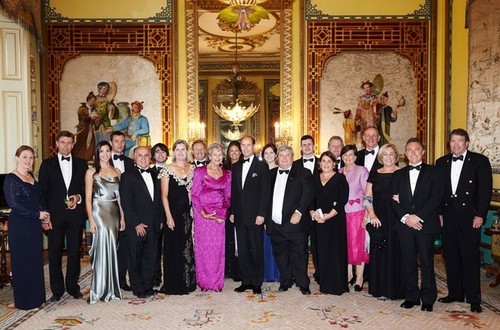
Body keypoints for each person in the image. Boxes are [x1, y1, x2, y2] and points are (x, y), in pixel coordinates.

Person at [436, 128, 492, 313]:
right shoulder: (441, 162)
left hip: (470, 217)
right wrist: (440, 213)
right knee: (450, 256)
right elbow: (439, 192)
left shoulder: (479, 161)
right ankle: (455, 293)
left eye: (460, 141)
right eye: (453, 141)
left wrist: (480, 215)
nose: (456, 144)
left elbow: (485, 191)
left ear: (467, 143)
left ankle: (473, 297)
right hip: (449, 217)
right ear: (449, 143)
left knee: (469, 257)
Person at [391, 137, 443, 312]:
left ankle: (428, 298)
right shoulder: (398, 174)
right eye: (409, 150)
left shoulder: (435, 172)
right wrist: (406, 217)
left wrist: (418, 217)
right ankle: (411, 296)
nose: (412, 153)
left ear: (423, 152)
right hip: (405, 225)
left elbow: (436, 198)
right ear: (405, 153)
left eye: (416, 150)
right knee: (408, 261)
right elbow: (393, 200)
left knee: (427, 262)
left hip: (425, 225)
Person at [39, 131, 88, 302]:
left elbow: (86, 191)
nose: (66, 146)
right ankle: (57, 290)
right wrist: (45, 217)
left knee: (75, 252)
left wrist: (78, 197)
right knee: (54, 253)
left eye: (69, 143)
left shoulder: (82, 165)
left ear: (73, 144)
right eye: (63, 142)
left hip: (75, 216)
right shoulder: (46, 165)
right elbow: (42, 193)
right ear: (57, 144)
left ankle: (73, 287)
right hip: (54, 216)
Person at [3, 146, 50, 310]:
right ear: (17, 158)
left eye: (31, 157)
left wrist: (45, 216)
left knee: (34, 260)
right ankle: (24, 301)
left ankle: (36, 298)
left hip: (34, 225)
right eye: (24, 157)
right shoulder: (10, 179)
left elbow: (39, 198)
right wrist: (37, 215)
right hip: (20, 225)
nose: (28, 160)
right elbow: (14, 205)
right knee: (22, 262)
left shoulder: (31, 176)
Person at [267, 145, 314, 295]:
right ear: (277, 158)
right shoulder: (271, 174)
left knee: (299, 254)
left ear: (293, 157)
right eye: (281, 156)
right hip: (275, 223)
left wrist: (299, 212)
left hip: (295, 222)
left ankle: (302, 283)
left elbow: (308, 195)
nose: (285, 158)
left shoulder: (303, 173)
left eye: (288, 155)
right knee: (281, 255)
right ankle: (286, 281)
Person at [120, 146, 165, 298]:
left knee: (151, 257)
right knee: (136, 257)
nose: (143, 158)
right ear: (134, 158)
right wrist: (136, 223)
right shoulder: (127, 176)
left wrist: (159, 220)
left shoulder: (155, 174)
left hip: (153, 224)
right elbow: (126, 203)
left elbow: (158, 200)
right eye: (140, 155)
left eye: (146, 155)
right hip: (137, 225)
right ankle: (138, 288)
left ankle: (148, 286)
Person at [85, 141, 125, 304]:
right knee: (102, 248)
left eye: (107, 151)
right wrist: (91, 219)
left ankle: (112, 288)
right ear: (97, 153)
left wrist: (122, 216)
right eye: (101, 151)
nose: (104, 154)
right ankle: (99, 290)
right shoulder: (91, 172)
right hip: (99, 211)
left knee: (113, 249)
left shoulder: (117, 171)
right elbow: (87, 198)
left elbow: (120, 196)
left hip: (114, 211)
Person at [230, 135, 270, 294]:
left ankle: (257, 282)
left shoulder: (262, 166)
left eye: (248, 145)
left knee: (256, 249)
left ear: (254, 146)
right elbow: (234, 192)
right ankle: (246, 280)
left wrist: (262, 214)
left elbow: (265, 192)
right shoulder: (236, 166)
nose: (245, 148)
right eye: (243, 145)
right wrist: (232, 212)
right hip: (239, 216)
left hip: (255, 216)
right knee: (244, 250)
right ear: (240, 147)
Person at [364, 143, 405, 300]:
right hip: (378, 218)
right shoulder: (374, 173)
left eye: (391, 154)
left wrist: (404, 198)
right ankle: (379, 288)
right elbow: (367, 197)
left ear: (396, 156)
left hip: (398, 217)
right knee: (380, 252)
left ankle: (396, 289)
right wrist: (372, 215)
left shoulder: (403, 173)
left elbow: (411, 194)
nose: (388, 157)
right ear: (381, 157)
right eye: (385, 154)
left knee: (398, 252)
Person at [192, 143, 232, 292]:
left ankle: (216, 283)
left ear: (223, 156)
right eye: (214, 154)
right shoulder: (199, 171)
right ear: (209, 155)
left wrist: (222, 213)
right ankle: (204, 282)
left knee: (217, 249)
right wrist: (203, 212)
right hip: (202, 214)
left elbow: (227, 197)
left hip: (218, 215)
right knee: (204, 248)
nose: (217, 157)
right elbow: (195, 195)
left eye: (220, 154)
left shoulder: (227, 174)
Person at [158, 139, 196, 295]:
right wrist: (168, 216)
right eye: (177, 150)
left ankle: (188, 282)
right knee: (174, 248)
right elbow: (164, 196)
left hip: (188, 215)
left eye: (183, 149)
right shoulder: (167, 169)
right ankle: (174, 283)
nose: (180, 152)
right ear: (173, 152)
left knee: (187, 248)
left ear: (187, 152)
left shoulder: (193, 169)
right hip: (173, 215)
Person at [310, 151, 349, 295]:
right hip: (318, 221)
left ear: (334, 163)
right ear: (319, 164)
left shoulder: (340, 178)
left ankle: (337, 285)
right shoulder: (314, 178)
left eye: (329, 161)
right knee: (320, 252)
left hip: (334, 220)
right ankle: (324, 283)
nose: (326, 164)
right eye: (323, 161)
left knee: (335, 252)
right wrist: (313, 214)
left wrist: (328, 216)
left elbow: (342, 201)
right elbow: (310, 200)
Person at [339, 145, 369, 291]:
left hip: (358, 213)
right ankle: (349, 273)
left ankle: (359, 277)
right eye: (345, 155)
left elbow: (368, 195)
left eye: (350, 155)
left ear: (355, 157)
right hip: (342, 214)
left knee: (358, 245)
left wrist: (367, 215)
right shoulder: (338, 172)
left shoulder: (361, 171)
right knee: (346, 245)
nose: (348, 157)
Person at [109, 130, 135, 292]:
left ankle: (121, 279)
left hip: (126, 209)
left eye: (122, 141)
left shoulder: (130, 162)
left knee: (125, 247)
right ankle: (107, 281)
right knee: (109, 246)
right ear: (111, 143)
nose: (119, 144)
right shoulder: (103, 161)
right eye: (116, 141)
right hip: (108, 210)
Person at [293, 135, 320, 283]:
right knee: (301, 246)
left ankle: (319, 273)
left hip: (318, 209)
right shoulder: (295, 164)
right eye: (304, 145)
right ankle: (300, 276)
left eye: (310, 144)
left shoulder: (322, 163)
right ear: (301, 148)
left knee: (317, 245)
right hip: (301, 211)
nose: (307, 147)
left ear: (313, 146)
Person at [223, 141, 242, 281]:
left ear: (240, 152)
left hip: (241, 207)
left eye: (237, 150)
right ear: (228, 153)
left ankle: (239, 270)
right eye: (232, 151)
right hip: (226, 207)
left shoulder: (244, 166)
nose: (234, 153)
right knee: (228, 238)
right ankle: (229, 269)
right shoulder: (223, 168)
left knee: (240, 238)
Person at [261, 143, 280, 282]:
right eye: (265, 153)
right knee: (265, 245)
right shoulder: (261, 171)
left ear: (276, 154)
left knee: (277, 244)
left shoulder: (280, 171)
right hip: (263, 212)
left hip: (276, 212)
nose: (268, 155)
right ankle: (268, 273)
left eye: (271, 153)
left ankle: (278, 273)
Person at [150, 142, 169, 287]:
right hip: (155, 216)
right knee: (154, 249)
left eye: (163, 151)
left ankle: (171, 277)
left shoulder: (172, 170)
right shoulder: (149, 172)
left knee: (170, 248)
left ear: (167, 154)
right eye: (157, 151)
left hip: (171, 215)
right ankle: (155, 277)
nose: (160, 154)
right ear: (153, 155)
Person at [73, 91, 97, 161]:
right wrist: (90, 118)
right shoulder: (82, 108)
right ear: (89, 100)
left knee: (91, 142)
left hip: (90, 128)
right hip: (83, 128)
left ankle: (88, 157)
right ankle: (79, 158)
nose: (93, 102)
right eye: (93, 101)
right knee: (82, 142)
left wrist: (96, 119)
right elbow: (81, 118)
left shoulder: (93, 109)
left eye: (94, 101)